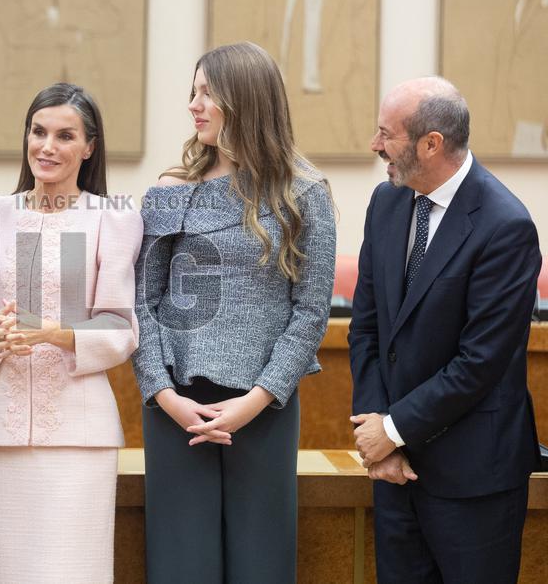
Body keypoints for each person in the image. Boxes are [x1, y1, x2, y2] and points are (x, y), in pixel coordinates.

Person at [132, 42, 335, 583]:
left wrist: (257, 400)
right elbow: (143, 303)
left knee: (261, 566)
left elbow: (311, 312)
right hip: (176, 407)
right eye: (192, 93)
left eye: (207, 94)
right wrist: (163, 393)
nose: (194, 105)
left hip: (263, 407)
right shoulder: (171, 190)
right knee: (181, 567)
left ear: (244, 100)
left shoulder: (305, 192)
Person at [349, 76, 541, 583]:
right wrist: (377, 439)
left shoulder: (505, 226)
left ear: (430, 144)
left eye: (385, 134)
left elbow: (479, 364)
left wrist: (392, 431)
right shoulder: (385, 203)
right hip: (394, 472)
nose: (375, 146)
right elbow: (365, 328)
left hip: (474, 480)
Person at [0, 83, 142, 583]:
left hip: (80, 435)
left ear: (89, 147)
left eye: (65, 136)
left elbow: (120, 327)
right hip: (3, 431)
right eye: (38, 132)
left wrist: (51, 333)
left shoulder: (113, 218)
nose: (47, 146)